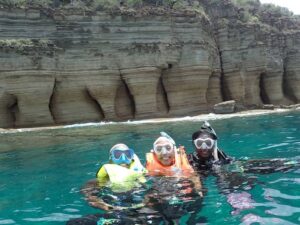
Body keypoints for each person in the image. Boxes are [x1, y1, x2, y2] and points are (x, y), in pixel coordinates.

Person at [82, 143, 147, 211]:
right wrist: (102, 205)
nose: (123, 158)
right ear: (111, 159)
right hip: (114, 206)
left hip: (138, 204)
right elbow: (88, 191)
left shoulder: (139, 175)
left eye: (127, 154)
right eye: (117, 155)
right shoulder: (105, 178)